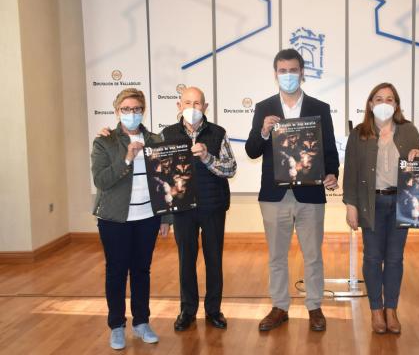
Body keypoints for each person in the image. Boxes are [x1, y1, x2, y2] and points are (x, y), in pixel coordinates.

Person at [245, 49, 340, 332]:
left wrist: (332, 172)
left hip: (310, 193)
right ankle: (279, 306)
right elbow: (251, 151)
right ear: (275, 74)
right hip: (275, 195)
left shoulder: (319, 107)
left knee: (312, 254)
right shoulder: (264, 108)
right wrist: (263, 131)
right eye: (282, 70)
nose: (288, 75)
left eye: (293, 70)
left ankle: (314, 306)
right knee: (276, 255)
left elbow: (330, 148)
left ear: (302, 72)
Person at [342, 82, 419, 334]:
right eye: (378, 98)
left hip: (401, 203)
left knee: (395, 258)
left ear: (396, 105)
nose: (384, 103)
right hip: (371, 203)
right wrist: (351, 205)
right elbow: (351, 174)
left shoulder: (409, 130)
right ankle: (376, 311)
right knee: (372, 257)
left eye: (390, 99)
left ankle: (392, 309)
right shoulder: (359, 133)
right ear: (370, 104)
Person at [91, 88, 170, 350]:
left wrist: (165, 217)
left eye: (137, 109)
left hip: (147, 217)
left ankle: (141, 322)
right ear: (117, 111)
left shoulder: (156, 139)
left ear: (143, 111)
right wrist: (127, 159)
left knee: (141, 271)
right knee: (116, 272)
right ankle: (116, 326)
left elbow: (165, 182)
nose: (132, 114)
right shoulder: (105, 142)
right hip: (114, 219)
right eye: (126, 109)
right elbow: (101, 180)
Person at [165, 87, 237, 331]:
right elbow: (161, 176)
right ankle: (187, 311)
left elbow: (230, 169)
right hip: (183, 208)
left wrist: (207, 158)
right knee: (186, 260)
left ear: (205, 107)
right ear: (179, 106)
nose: (192, 108)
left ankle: (214, 310)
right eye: (187, 103)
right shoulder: (167, 135)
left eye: (197, 104)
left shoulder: (218, 133)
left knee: (213, 259)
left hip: (213, 206)